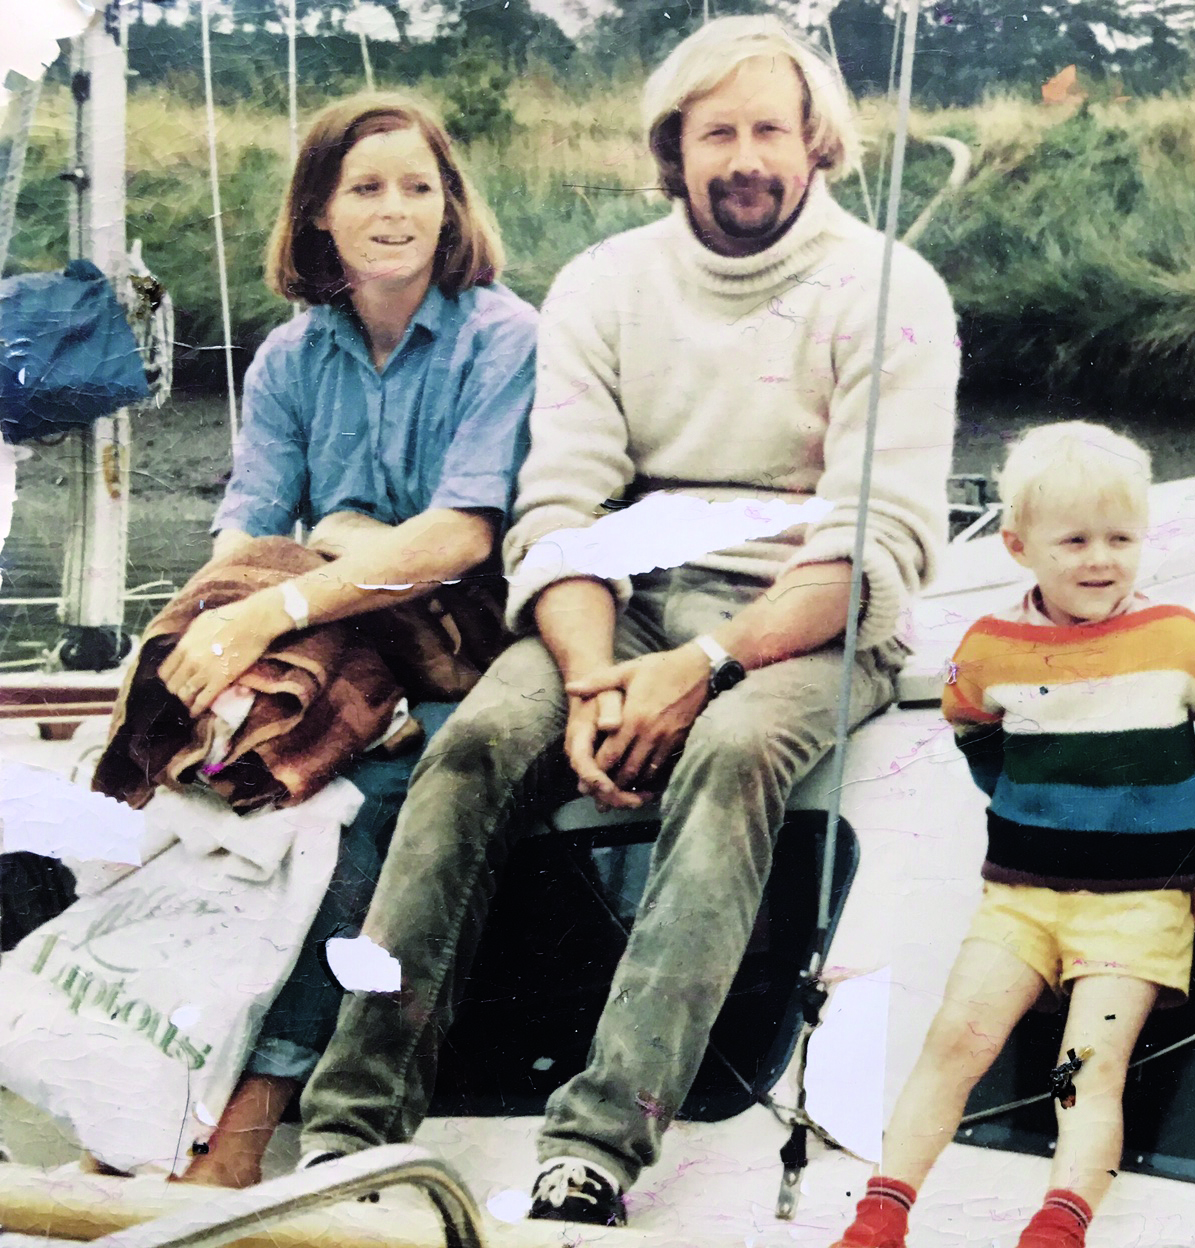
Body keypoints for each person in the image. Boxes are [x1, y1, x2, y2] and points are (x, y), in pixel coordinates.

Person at [293, 16, 960, 1227]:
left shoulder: (888, 289)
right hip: (622, 600)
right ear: (675, 150)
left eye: (770, 128)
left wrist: (700, 670)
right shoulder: (606, 282)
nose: (745, 155)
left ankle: (599, 1138)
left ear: (815, 143)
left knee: (735, 750)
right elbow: (561, 508)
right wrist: (598, 677)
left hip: (802, 615)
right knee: (474, 749)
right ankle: (349, 1129)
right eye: (718, 133)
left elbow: (878, 550)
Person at [149, 92, 535, 1187]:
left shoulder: (501, 338)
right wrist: (208, 650)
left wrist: (279, 606)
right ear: (316, 211)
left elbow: (463, 535)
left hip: (460, 653)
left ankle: (245, 1130)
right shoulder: (289, 358)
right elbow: (248, 531)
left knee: (345, 829)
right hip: (327, 653)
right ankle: (142, 1093)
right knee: (182, 795)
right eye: (365, 188)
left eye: (420, 186)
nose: (396, 209)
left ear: (451, 204)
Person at [831, 423, 1195, 1248]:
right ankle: (880, 1215)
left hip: (1137, 908)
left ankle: (1058, 1229)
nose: (1100, 558)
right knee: (956, 1037)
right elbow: (966, 720)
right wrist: (1025, 801)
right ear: (1018, 546)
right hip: (1020, 899)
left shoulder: (1176, 637)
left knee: (1086, 1072)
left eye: (1120, 538)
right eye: (1073, 540)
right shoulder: (986, 649)